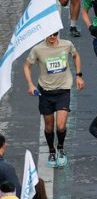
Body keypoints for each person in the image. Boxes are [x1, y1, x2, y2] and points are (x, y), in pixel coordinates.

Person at [24, 32, 84, 168]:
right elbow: (27, 66)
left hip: (63, 90)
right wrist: (30, 84)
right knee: (49, 127)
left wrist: (79, 75)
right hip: (45, 92)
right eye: (49, 34)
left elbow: (75, 55)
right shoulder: (37, 49)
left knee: (61, 126)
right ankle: (52, 150)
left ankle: (60, 148)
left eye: (55, 34)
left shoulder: (67, 44)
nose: (52, 37)